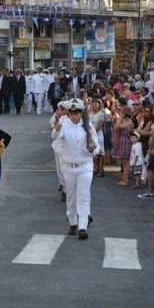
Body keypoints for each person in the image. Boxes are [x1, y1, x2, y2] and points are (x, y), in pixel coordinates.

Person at [52, 98, 100, 239]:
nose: (74, 116)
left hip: (85, 167)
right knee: (71, 196)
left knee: (83, 196)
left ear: (81, 113)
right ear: (68, 113)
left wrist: (92, 149)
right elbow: (56, 136)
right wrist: (56, 129)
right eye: (72, 113)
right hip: (69, 167)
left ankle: (82, 226)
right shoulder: (64, 124)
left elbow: (96, 148)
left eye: (77, 113)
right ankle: (72, 222)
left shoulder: (88, 126)